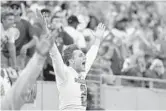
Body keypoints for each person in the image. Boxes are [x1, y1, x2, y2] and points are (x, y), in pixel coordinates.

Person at [1, 9, 54, 110]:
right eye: (9, 19)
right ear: (2, 20)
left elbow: (11, 48)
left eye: (13, 19)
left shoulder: (11, 32)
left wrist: (15, 64)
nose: (12, 22)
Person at [49, 23, 105, 110]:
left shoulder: (81, 74)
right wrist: (49, 37)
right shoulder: (65, 73)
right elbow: (55, 56)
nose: (84, 57)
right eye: (80, 56)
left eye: (83, 55)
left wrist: (98, 39)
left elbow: (91, 55)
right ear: (71, 61)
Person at [8, 1, 38, 69]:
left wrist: (26, 46)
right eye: (12, 8)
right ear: (9, 10)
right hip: (6, 55)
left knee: (18, 77)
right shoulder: (4, 23)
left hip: (19, 56)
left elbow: (35, 39)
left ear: (21, 10)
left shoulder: (25, 23)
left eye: (17, 8)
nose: (14, 10)